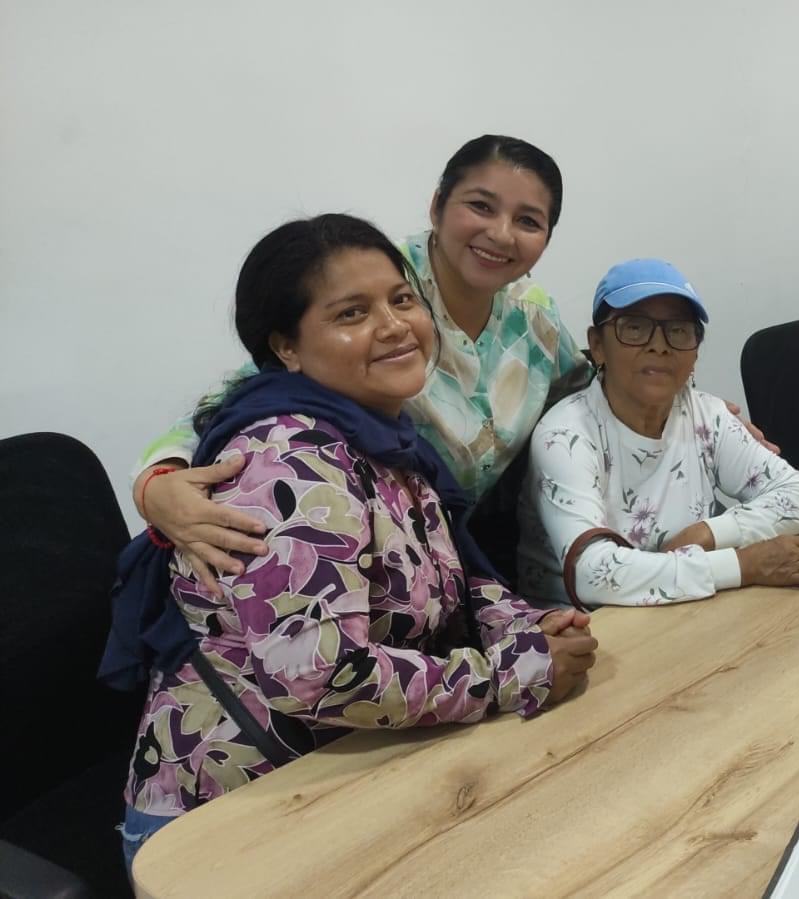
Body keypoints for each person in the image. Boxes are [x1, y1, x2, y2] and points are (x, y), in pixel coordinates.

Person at [110, 214, 598, 870]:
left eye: (401, 299)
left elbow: (449, 575)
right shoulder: (288, 460)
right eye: (351, 313)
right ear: (286, 346)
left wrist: (526, 625)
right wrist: (515, 673)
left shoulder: (382, 438)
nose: (394, 325)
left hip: (352, 774)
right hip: (229, 826)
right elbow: (320, 676)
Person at [129, 135, 769, 598]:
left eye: (528, 220)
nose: (501, 234)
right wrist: (158, 486)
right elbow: (242, 398)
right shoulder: (381, 288)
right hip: (350, 566)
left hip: (460, 566)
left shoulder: (532, 316)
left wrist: (702, 416)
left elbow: (598, 385)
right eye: (481, 207)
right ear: (437, 205)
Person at [518, 259, 799, 607]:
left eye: (678, 331)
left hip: (689, 605)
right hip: (586, 624)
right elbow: (593, 574)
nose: (659, 345)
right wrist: (741, 565)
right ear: (597, 344)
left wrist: (707, 533)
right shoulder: (564, 436)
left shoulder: (707, 415)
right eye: (635, 328)